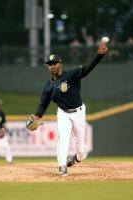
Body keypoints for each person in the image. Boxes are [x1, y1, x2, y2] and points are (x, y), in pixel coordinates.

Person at [33, 40, 108, 176]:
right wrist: (37, 116)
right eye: (49, 64)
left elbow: (87, 69)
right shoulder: (49, 86)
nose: (51, 66)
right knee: (63, 139)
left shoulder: (71, 75)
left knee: (81, 150)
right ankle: (62, 165)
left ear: (60, 64)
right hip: (63, 114)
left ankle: (76, 158)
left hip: (79, 112)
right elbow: (43, 103)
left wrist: (98, 56)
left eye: (54, 63)